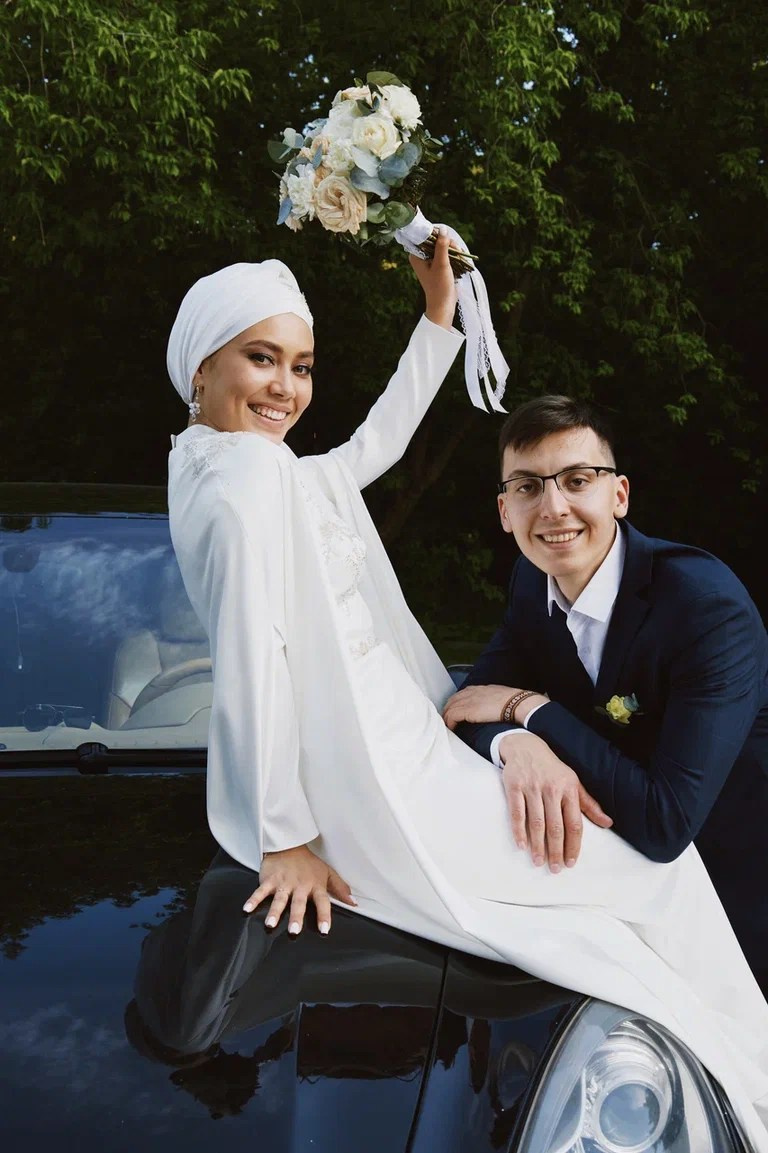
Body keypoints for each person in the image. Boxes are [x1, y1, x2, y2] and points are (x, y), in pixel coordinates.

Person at [166, 240, 768, 1146]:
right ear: (201, 367)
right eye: (262, 358)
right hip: (383, 772)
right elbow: (253, 651)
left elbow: (370, 447)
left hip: (397, 746)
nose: (285, 387)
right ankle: (750, 1087)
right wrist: (281, 835)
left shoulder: (230, 466)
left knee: (635, 885)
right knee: (655, 879)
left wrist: (438, 323)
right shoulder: (250, 476)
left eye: (302, 366)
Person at [442, 394, 768, 993]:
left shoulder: (706, 609)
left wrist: (530, 710)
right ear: (505, 511)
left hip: (740, 892)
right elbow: (469, 705)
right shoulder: (530, 580)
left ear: (618, 494)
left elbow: (666, 822)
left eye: (576, 480)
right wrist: (517, 743)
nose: (553, 507)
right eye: (528, 487)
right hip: (614, 894)